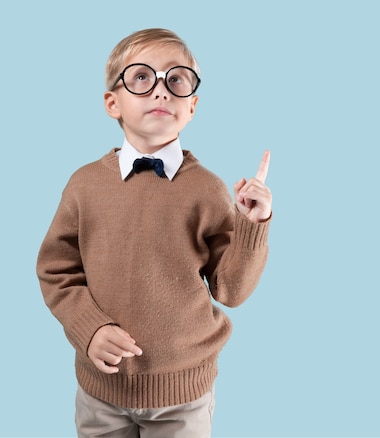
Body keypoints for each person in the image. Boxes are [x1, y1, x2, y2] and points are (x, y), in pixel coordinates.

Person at [36, 28, 272, 437]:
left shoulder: (208, 190)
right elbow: (57, 272)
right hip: (99, 390)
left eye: (176, 79)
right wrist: (88, 328)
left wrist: (251, 227)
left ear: (192, 106)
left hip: (184, 394)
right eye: (142, 77)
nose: (161, 90)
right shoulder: (83, 185)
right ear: (113, 103)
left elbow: (231, 291)